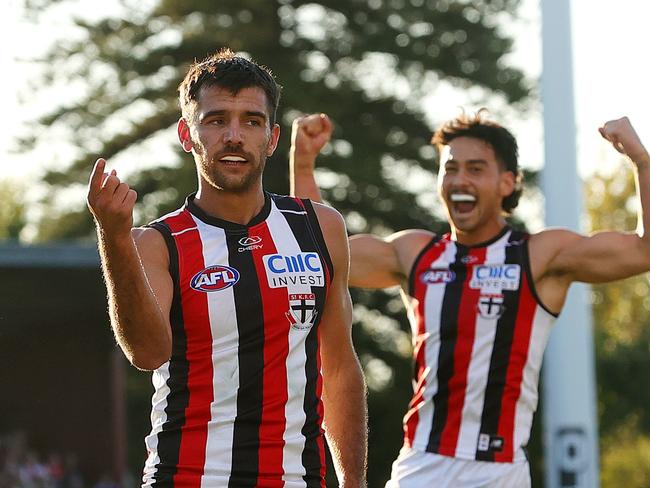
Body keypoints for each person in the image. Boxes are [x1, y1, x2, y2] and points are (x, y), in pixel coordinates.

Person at [290, 111, 650, 487]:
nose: (460, 180)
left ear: (508, 183)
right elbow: (318, 257)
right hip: (420, 468)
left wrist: (641, 161)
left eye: (476, 169)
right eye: (451, 168)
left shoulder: (539, 256)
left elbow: (645, 250)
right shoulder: (415, 253)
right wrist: (303, 161)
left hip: (499, 472)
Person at [86, 49, 367, 488]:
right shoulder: (156, 243)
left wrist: (353, 484)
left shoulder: (321, 227)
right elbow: (146, 353)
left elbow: (339, 367)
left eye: (251, 122)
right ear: (187, 134)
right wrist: (113, 237)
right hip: (187, 478)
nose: (234, 136)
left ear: (272, 138)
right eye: (216, 120)